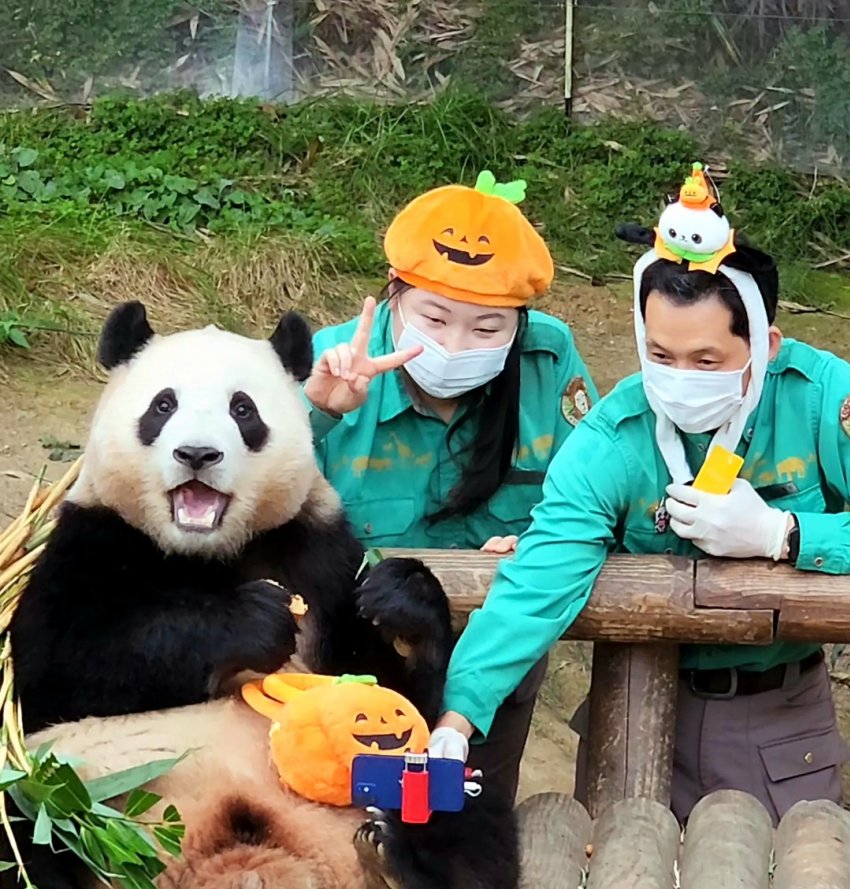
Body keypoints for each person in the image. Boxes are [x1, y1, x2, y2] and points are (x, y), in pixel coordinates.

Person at [431, 161, 850, 827]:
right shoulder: (614, 438)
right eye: (660, 354)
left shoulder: (824, 399)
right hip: (633, 706)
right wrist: (458, 713)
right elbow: (539, 581)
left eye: (707, 361)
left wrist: (786, 534)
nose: (680, 378)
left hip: (778, 721)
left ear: (764, 345)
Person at [299, 169, 600, 803]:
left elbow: (594, 492)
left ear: (521, 323)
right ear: (393, 296)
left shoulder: (550, 364)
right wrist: (318, 410)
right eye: (433, 318)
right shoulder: (331, 362)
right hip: (356, 654)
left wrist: (537, 539)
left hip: (497, 641)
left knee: (469, 814)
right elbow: (246, 489)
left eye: (487, 330)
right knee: (344, 815)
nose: (455, 345)